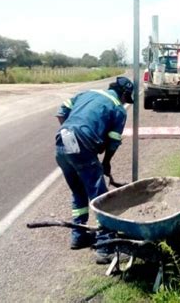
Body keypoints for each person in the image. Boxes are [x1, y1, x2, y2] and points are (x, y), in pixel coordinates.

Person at [55, 76, 134, 264]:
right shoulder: (118, 109)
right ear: (123, 94)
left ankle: (78, 235)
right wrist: (106, 162)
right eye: (126, 98)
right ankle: (105, 247)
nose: (125, 101)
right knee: (100, 197)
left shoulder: (87, 93)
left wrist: (71, 133)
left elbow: (61, 112)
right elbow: (114, 141)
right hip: (82, 145)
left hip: (61, 143)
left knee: (78, 191)